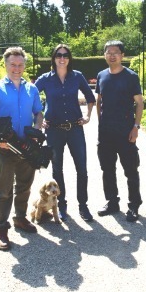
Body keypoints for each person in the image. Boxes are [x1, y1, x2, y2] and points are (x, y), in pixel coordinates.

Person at [0, 47, 44, 251]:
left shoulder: (31, 89)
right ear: (6, 65)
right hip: (6, 147)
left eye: (20, 64)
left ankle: (20, 218)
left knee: (25, 186)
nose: (16, 68)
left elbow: (39, 113)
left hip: (27, 147)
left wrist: (36, 130)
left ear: (24, 65)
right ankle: (1, 229)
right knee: (4, 190)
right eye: (13, 65)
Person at [35, 44, 96, 222]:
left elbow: (90, 97)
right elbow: (30, 96)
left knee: (82, 169)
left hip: (75, 129)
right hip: (54, 130)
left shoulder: (77, 76)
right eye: (58, 55)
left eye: (65, 55)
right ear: (53, 58)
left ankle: (83, 205)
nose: (62, 58)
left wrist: (88, 116)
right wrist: (38, 118)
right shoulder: (45, 79)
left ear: (69, 58)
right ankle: (61, 205)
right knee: (57, 170)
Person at [95, 40, 144, 222]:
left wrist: (136, 127)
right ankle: (112, 202)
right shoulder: (101, 75)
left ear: (122, 55)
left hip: (125, 132)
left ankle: (134, 205)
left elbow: (139, 103)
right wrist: (101, 123)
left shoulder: (131, 76)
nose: (112, 55)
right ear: (104, 55)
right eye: (108, 52)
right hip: (106, 133)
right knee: (107, 169)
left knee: (131, 170)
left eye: (116, 52)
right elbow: (99, 101)